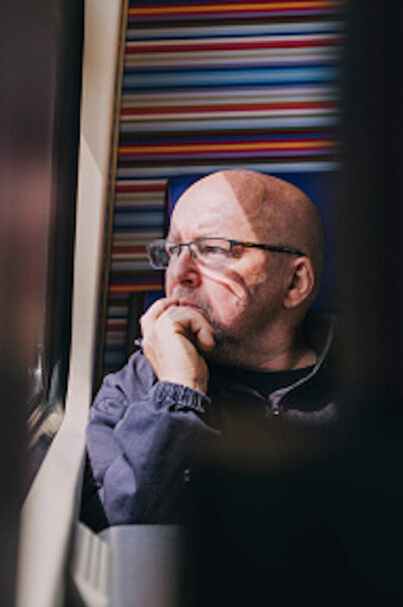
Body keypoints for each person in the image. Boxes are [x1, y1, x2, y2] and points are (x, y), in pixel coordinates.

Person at [81, 169, 341, 530]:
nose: (179, 273)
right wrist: (178, 393)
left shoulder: (376, 383)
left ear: (295, 282)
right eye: (174, 251)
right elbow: (116, 534)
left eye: (214, 249)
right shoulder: (134, 388)